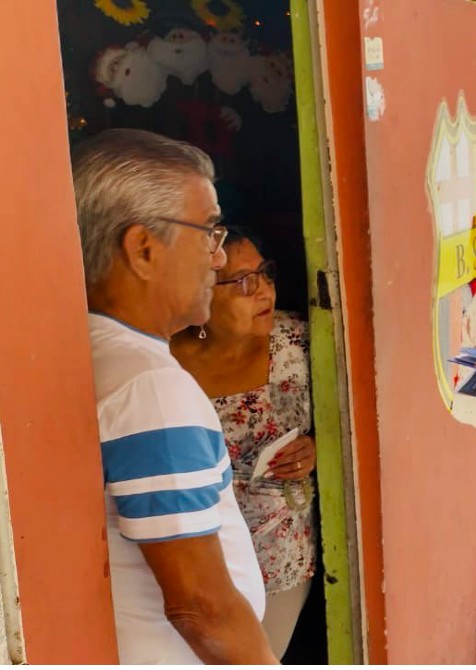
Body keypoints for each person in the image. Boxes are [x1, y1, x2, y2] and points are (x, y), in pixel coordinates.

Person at [73, 128, 276, 664]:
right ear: (143, 249)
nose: (217, 259)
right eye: (209, 232)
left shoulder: (89, 352)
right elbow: (201, 607)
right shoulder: (151, 390)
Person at [170, 229, 317, 659]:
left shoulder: (301, 342)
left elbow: (351, 415)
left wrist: (316, 449)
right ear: (200, 296)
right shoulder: (163, 360)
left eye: (265, 273)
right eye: (242, 281)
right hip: (193, 560)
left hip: (280, 559)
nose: (264, 289)